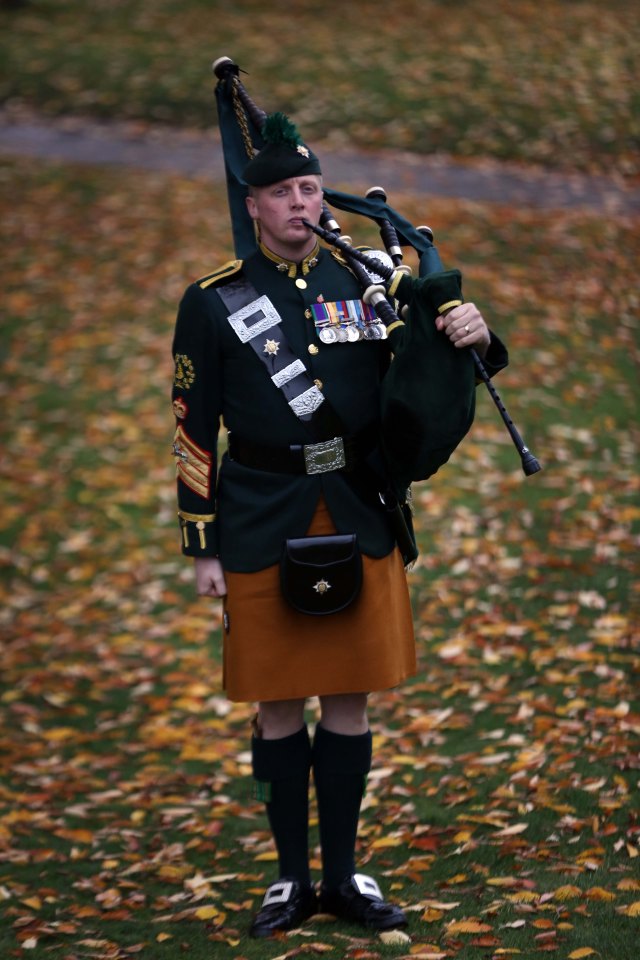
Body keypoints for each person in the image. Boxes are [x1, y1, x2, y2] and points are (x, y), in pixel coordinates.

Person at [171, 114, 507, 938]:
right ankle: (290, 880)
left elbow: (436, 369)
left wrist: (477, 332)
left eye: (312, 188)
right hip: (258, 515)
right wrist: (201, 543)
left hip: (358, 509)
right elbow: (191, 428)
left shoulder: (372, 282)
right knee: (279, 706)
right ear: (251, 205)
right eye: (282, 191)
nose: (301, 203)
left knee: (349, 702)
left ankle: (345, 875)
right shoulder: (214, 302)